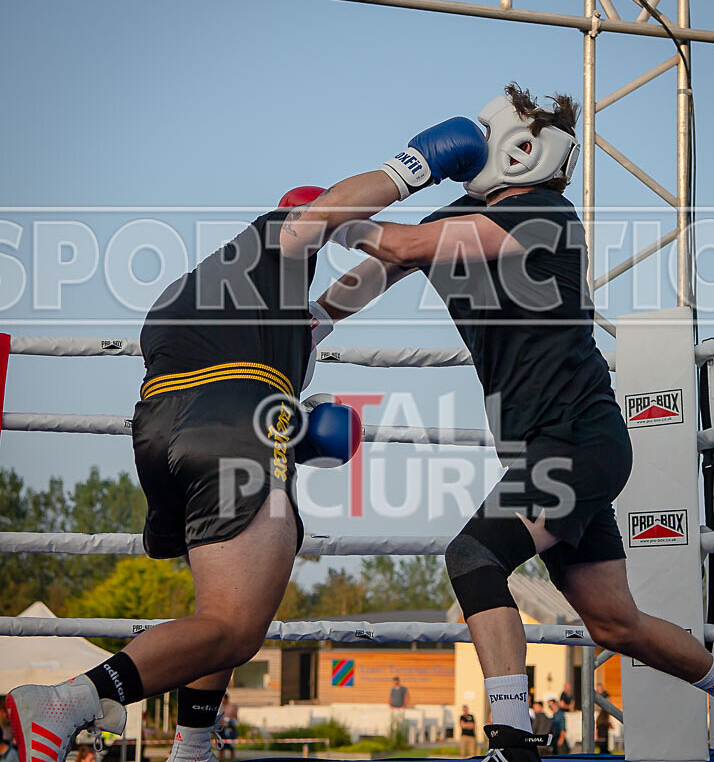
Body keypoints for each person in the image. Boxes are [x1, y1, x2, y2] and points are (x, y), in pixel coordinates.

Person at [323, 82, 714, 762]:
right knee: (614, 622)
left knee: (474, 557)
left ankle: (512, 738)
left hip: (575, 441)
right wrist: (308, 325)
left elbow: (396, 246)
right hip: (549, 448)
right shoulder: (460, 220)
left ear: (517, 152)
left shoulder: (544, 214)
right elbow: (379, 270)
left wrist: (394, 176)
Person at [5, 116, 488, 762]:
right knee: (234, 627)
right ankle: (69, 701)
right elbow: (315, 227)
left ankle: (194, 744)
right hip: (235, 422)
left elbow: (345, 298)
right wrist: (413, 169)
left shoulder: (232, 302)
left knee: (217, 618)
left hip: (159, 431)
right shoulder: (273, 241)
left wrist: (415, 250)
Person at [219, 693, 238, 760]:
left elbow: (236, 718)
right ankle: (221, 759)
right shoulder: (221, 707)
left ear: (226, 699)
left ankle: (232, 759)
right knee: (221, 747)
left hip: (230, 728)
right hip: (221, 729)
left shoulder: (232, 707)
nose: (222, 701)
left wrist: (229, 722)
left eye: (223, 699)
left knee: (231, 747)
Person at [594, 685, 610, 756]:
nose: (598, 691)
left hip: (604, 714)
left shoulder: (605, 695)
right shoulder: (596, 696)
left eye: (599, 689)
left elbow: (609, 701)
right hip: (601, 715)